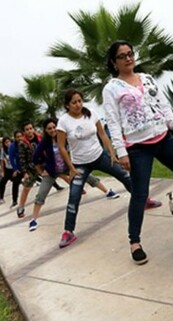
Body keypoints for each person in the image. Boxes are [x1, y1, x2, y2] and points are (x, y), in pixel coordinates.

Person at [103, 40, 173, 264]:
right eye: (122, 56)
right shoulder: (111, 88)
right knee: (139, 194)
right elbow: (113, 122)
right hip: (137, 148)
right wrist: (121, 151)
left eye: (130, 53)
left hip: (163, 138)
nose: (128, 58)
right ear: (114, 62)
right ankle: (134, 242)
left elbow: (164, 105)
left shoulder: (146, 78)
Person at [56, 88, 133, 249]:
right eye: (74, 102)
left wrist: (112, 153)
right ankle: (68, 231)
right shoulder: (63, 121)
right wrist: (70, 167)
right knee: (74, 196)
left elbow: (103, 134)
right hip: (79, 165)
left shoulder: (90, 113)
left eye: (79, 101)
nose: (78, 105)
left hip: (100, 156)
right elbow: (62, 147)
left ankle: (142, 200)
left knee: (125, 176)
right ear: (67, 105)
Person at [6, 132, 25, 208]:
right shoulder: (12, 146)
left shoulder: (25, 142)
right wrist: (15, 169)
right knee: (15, 182)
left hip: (28, 165)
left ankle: (56, 186)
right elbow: (11, 158)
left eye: (21, 136)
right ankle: (14, 200)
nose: (19, 138)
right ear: (14, 138)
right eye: (17, 137)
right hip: (19, 167)